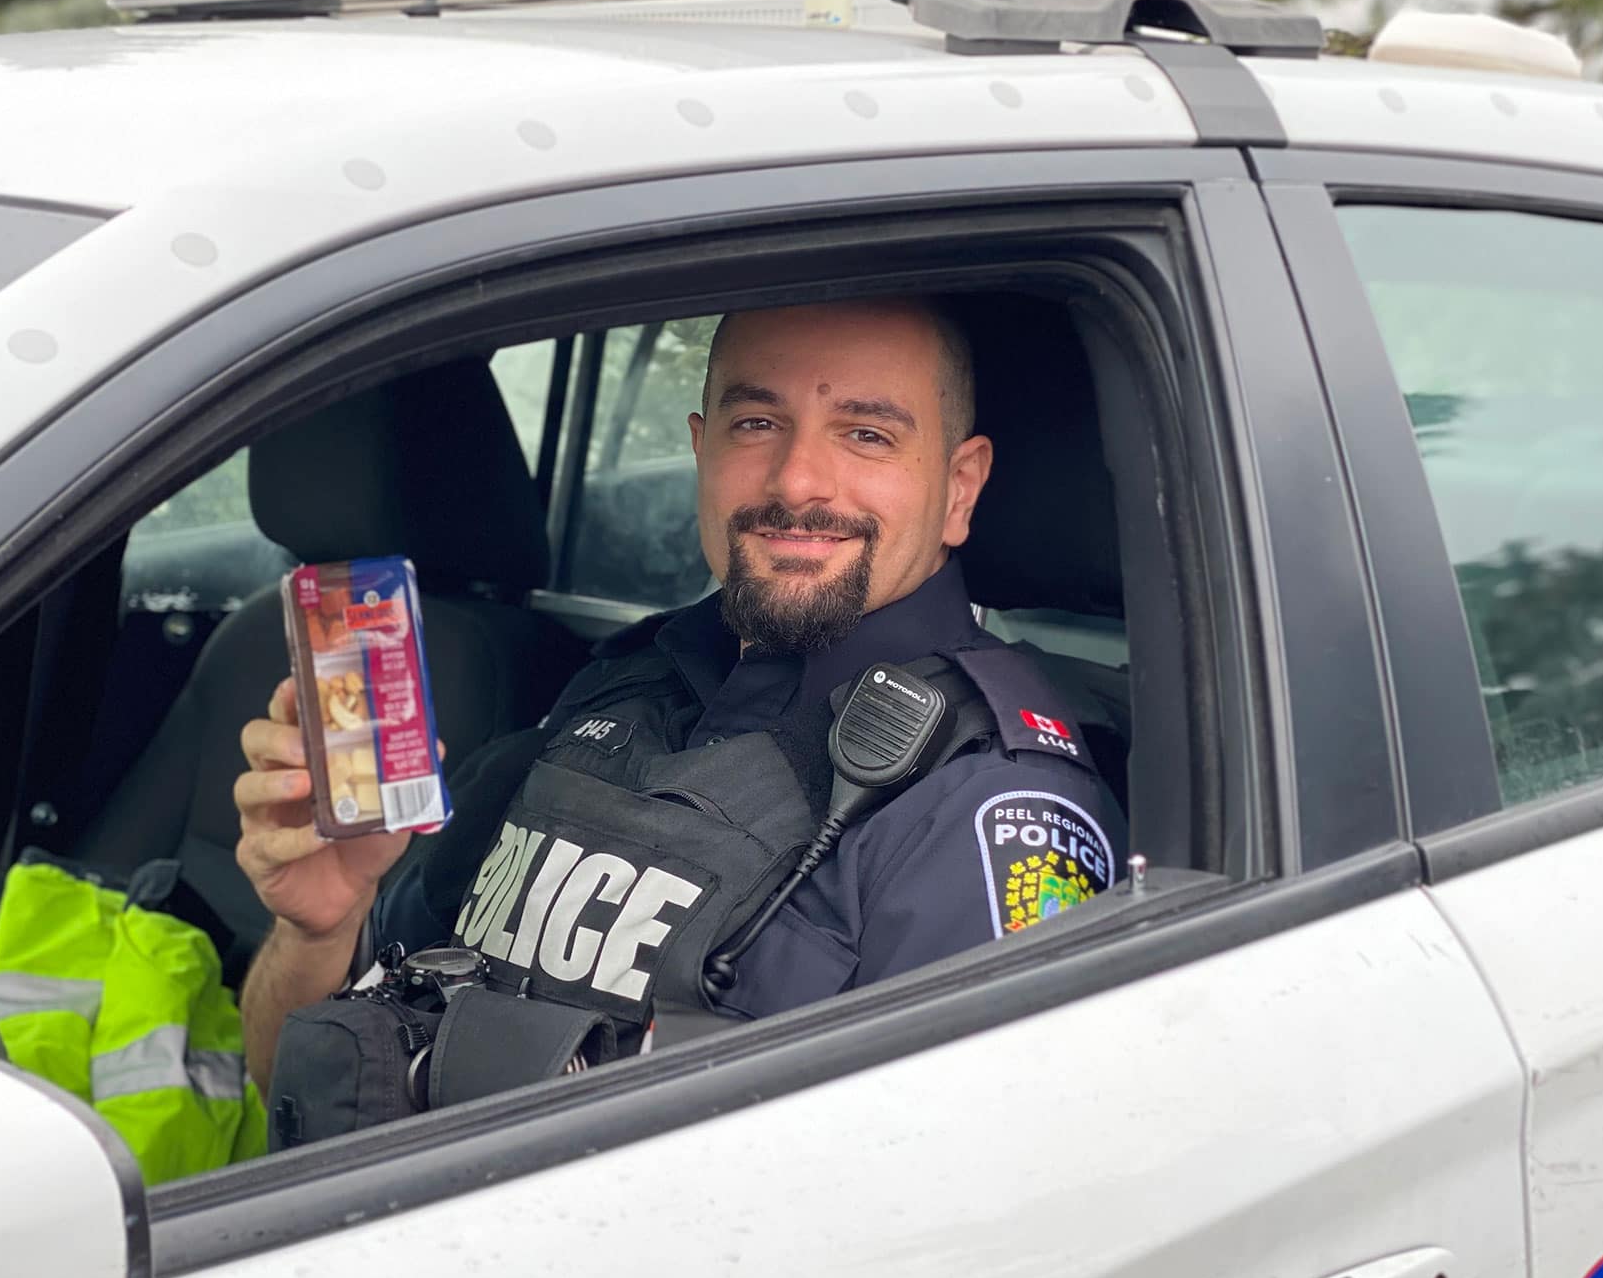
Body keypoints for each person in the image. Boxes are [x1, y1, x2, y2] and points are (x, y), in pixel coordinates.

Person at [232, 296, 1126, 1095]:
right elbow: (318, 1092)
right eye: (756, 423)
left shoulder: (985, 806)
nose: (796, 481)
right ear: (702, 451)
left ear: (959, 488)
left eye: (867, 434)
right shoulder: (608, 693)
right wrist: (321, 928)